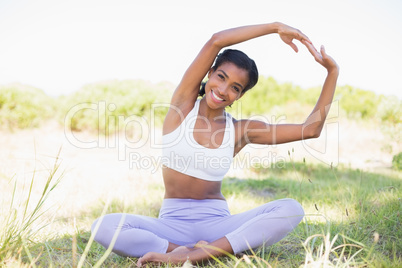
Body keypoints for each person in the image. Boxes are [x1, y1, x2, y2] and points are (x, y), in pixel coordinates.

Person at [91, 22, 339, 266]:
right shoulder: (181, 108)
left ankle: (197, 255)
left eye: (235, 88)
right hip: (171, 224)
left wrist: (332, 72)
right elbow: (216, 40)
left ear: (239, 96)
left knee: (291, 208)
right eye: (221, 77)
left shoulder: (240, 131)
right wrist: (274, 28)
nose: (222, 89)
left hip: (218, 225)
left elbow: (311, 129)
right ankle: (181, 251)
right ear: (209, 73)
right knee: (102, 226)